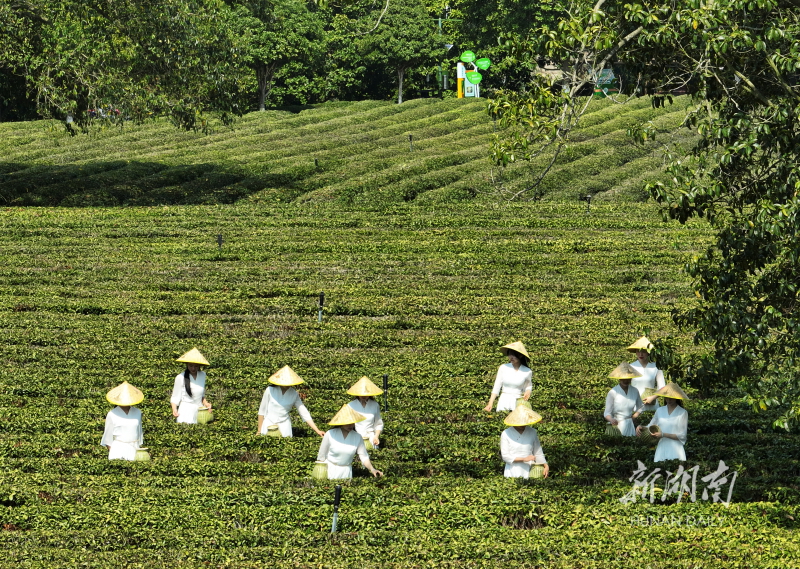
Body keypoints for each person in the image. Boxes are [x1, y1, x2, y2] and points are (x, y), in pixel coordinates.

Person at [316, 404, 383, 480]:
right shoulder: (330, 434)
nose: (350, 425)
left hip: (346, 472)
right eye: (347, 422)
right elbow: (321, 456)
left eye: (352, 422)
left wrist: (372, 469)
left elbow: (364, 456)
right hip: (330, 470)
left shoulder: (357, 437)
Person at [257, 366, 324, 438]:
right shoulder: (270, 390)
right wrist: (259, 431)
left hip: (284, 425)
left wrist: (317, 430)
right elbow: (262, 411)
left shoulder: (294, 394)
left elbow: (304, 413)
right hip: (268, 424)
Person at [637, 382, 689, 462]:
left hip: (676, 449)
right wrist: (641, 427)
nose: (668, 400)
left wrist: (663, 434)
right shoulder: (660, 410)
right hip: (662, 446)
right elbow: (651, 426)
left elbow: (682, 435)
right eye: (666, 397)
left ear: (676, 397)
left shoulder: (682, 412)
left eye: (671, 397)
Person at [500, 404, 549, 479]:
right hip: (512, 469)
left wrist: (545, 465)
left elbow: (538, 451)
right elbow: (505, 456)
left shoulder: (532, 432)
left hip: (529, 468)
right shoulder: (506, 433)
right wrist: (523, 459)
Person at [484, 341, 533, 412]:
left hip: (518, 403)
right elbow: (497, 386)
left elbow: (529, 385)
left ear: (520, 355)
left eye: (514, 355)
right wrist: (490, 403)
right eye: (509, 354)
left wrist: (528, 391)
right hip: (504, 401)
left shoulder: (527, 371)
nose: (511, 357)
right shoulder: (503, 367)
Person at [101, 381, 144, 461]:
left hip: (134, 448)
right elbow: (108, 437)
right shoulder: (112, 414)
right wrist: (113, 452)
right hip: (118, 449)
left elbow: (139, 432)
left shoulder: (138, 412)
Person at [170, 348, 213, 424]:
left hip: (199, 412)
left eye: (196, 366)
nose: (193, 368)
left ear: (199, 365)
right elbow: (175, 397)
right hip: (185, 411)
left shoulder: (203, 375)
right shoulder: (180, 377)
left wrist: (206, 404)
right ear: (187, 364)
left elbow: (201, 395)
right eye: (191, 365)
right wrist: (174, 409)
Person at [603, 362, 644, 436]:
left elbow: (640, 407)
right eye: (623, 378)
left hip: (630, 425)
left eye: (628, 378)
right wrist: (611, 420)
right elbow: (607, 413)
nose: (626, 380)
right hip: (616, 426)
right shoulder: (613, 392)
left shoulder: (635, 391)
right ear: (619, 378)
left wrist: (633, 417)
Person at [627, 336, 666, 411]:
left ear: (649, 352)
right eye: (638, 351)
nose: (641, 354)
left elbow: (662, 387)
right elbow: (625, 386)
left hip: (652, 405)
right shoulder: (631, 366)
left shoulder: (656, 366)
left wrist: (652, 397)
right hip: (634, 405)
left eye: (644, 351)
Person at [346, 376, 384, 450]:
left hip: (371, 438)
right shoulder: (350, 405)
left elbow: (378, 423)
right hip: (354, 438)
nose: (363, 396)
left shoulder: (374, 405)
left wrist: (376, 437)